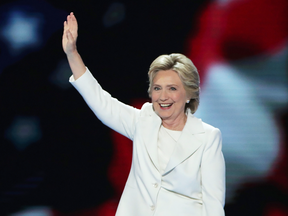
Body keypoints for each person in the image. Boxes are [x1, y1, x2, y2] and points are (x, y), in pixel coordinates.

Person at [62, 12, 225, 216]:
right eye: (158, 88)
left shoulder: (209, 137)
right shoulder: (140, 122)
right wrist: (72, 54)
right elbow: (98, 100)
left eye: (172, 88)